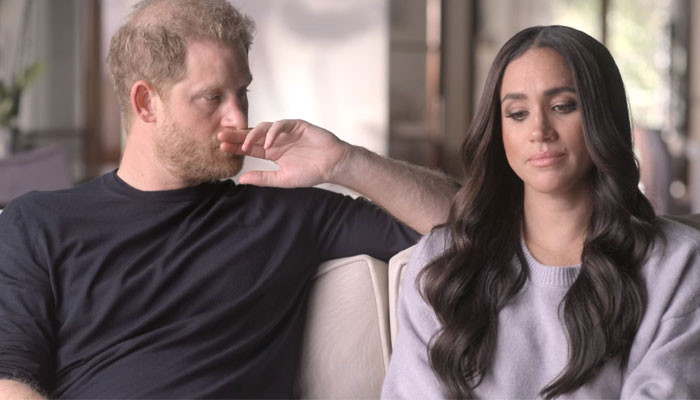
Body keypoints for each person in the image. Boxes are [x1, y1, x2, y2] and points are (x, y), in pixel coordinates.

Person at [0, 0, 457, 398]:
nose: (238, 117)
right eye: (212, 97)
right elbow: (9, 376)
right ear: (146, 103)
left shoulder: (283, 214)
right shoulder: (39, 223)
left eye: (242, 93)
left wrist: (346, 162)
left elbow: (464, 222)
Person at [382, 25, 700, 399]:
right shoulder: (444, 262)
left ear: (602, 116)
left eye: (562, 106)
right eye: (518, 113)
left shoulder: (678, 263)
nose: (540, 131)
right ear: (498, 131)